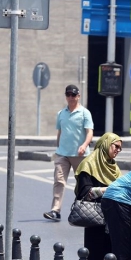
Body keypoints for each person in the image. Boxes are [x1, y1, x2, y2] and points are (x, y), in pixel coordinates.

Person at [73, 133, 122, 260]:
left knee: (111, 254)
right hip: (94, 218)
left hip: (112, 218)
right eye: (116, 146)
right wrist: (106, 190)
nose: (118, 150)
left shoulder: (113, 167)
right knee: (94, 254)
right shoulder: (88, 164)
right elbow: (84, 192)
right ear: (106, 144)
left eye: (120, 148)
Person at [43, 85, 94, 221]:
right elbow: (60, 131)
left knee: (83, 183)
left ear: (78, 96)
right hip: (63, 154)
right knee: (59, 181)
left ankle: (84, 210)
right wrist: (58, 146)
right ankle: (55, 211)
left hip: (80, 155)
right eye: (68, 95)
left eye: (73, 95)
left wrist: (84, 145)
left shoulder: (84, 113)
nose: (71, 97)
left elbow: (90, 132)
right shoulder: (61, 113)